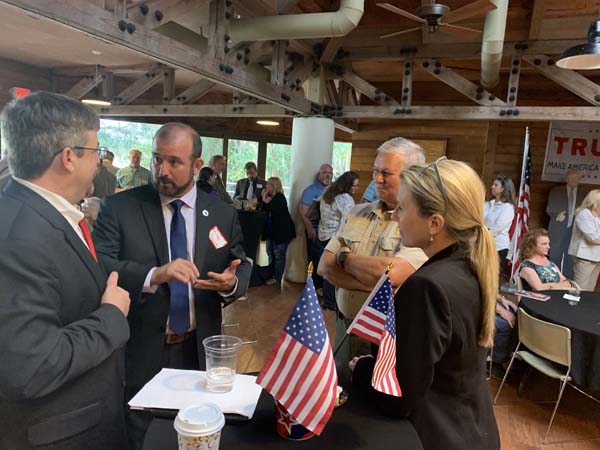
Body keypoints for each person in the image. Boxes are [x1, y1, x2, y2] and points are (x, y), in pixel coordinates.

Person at [92, 122, 251, 450]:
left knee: (196, 432)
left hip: (198, 349)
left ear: (196, 164)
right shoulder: (120, 208)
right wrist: (154, 274)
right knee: (142, 434)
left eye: (174, 162)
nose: (161, 170)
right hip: (141, 348)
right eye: (156, 159)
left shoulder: (221, 213)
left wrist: (231, 282)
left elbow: (241, 262)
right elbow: (99, 266)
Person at [0, 91, 131, 450]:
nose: (100, 162)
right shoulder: (18, 237)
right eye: (96, 151)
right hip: (58, 435)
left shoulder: (45, 214)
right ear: (69, 157)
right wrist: (110, 315)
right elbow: (31, 366)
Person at [351, 158, 500, 450]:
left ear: (435, 223)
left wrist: (362, 369)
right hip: (474, 429)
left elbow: (399, 397)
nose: (395, 215)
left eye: (403, 208)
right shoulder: (473, 268)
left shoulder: (427, 287)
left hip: (437, 435)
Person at [318, 138, 427, 374]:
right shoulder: (356, 212)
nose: (377, 179)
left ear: (413, 177)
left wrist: (345, 259)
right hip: (346, 325)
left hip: (387, 335)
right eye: (376, 171)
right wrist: (375, 286)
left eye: (386, 173)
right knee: (342, 383)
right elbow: (325, 266)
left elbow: (393, 273)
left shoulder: (421, 222)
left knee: (377, 391)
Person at [318, 171, 360, 310]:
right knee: (334, 270)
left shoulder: (328, 191)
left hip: (323, 234)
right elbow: (348, 222)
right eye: (354, 186)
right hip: (334, 237)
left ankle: (327, 300)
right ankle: (331, 302)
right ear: (347, 185)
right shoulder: (345, 199)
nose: (356, 189)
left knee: (328, 268)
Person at [298, 163, 333, 293]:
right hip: (315, 228)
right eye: (324, 172)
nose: (327, 175)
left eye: (330, 172)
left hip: (331, 231)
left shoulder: (334, 190)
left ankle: (326, 289)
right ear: (319, 174)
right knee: (315, 258)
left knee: (328, 260)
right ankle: (314, 287)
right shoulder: (310, 191)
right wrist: (309, 228)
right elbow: (302, 211)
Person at [547, 169, 586, 279]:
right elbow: (549, 208)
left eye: (576, 178)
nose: (574, 180)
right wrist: (556, 215)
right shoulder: (556, 191)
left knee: (571, 258)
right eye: (571, 178)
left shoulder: (583, 194)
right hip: (558, 228)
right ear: (566, 179)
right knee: (555, 255)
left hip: (575, 230)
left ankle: (568, 281)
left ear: (580, 179)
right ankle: (553, 279)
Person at [260, 177, 296, 284]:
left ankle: (277, 277)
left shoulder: (280, 197)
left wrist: (264, 199)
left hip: (281, 232)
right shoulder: (269, 197)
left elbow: (272, 208)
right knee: (270, 253)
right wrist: (264, 199)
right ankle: (270, 274)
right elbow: (263, 209)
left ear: (274, 186)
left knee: (279, 255)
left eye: (269, 184)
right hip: (271, 231)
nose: (266, 186)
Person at [568, 189, 600, 291]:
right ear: (595, 201)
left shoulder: (597, 216)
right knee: (580, 289)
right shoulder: (584, 214)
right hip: (585, 258)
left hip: (596, 257)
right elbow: (593, 237)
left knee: (589, 290)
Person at [483, 175, 515, 266]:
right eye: (493, 184)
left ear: (503, 189)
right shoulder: (488, 204)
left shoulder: (507, 207)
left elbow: (497, 228)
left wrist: (480, 236)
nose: (492, 186)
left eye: (496, 185)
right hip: (484, 245)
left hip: (498, 247)